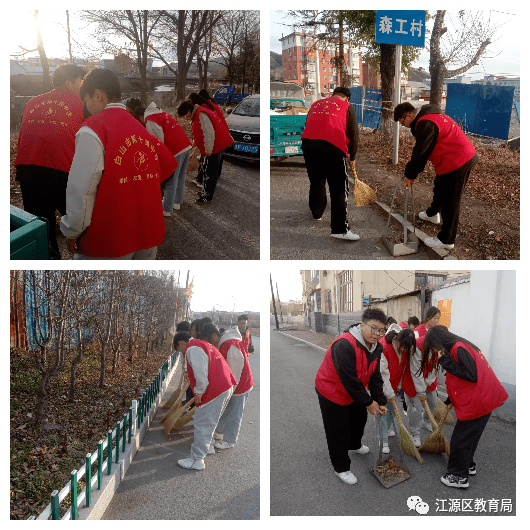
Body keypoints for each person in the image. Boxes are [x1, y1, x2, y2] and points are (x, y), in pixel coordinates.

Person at [59, 68, 178, 260]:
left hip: (110, 240)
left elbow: (81, 190)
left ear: (98, 95)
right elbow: (166, 165)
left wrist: (72, 231)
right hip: (147, 234)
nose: (86, 107)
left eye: (86, 100)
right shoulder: (139, 127)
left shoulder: (93, 129)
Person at [14, 63, 86, 259]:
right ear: (69, 83)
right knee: (80, 226)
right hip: (62, 172)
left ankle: (49, 259)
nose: (83, 86)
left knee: (43, 231)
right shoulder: (81, 107)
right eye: (82, 81)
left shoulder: (32, 102)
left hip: (28, 170)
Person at [422, 325, 508, 489]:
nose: (434, 352)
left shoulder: (458, 348)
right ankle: (467, 465)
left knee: (460, 440)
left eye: (433, 348)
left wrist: (444, 361)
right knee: (469, 438)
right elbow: (461, 378)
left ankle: (458, 476)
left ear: (439, 342)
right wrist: (450, 400)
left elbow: (471, 375)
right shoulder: (460, 346)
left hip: (479, 402)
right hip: (483, 399)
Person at [315, 308, 388, 485]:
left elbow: (375, 376)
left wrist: (379, 400)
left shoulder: (376, 347)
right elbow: (348, 379)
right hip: (332, 391)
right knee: (337, 430)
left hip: (355, 390)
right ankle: (341, 468)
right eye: (373, 328)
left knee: (359, 418)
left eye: (381, 330)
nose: (377, 334)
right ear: (362, 325)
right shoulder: (345, 344)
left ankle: (354, 444)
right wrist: (368, 402)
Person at [394, 101, 479, 250]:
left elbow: (421, 153)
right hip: (450, 158)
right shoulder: (429, 116)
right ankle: (432, 214)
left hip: (459, 160)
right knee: (440, 186)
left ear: (408, 115)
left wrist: (410, 175)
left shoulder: (425, 122)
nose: (405, 126)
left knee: (451, 200)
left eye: (403, 123)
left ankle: (446, 240)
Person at [301, 87, 360, 241]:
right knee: (339, 188)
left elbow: (308, 123)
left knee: (316, 181)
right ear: (347, 98)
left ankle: (317, 213)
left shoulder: (316, 104)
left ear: (333, 95)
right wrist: (352, 155)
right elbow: (353, 132)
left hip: (309, 145)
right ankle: (340, 229)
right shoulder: (347, 106)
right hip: (332, 146)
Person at [177, 323, 237, 471]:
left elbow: (201, 376)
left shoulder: (192, 348)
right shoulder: (203, 344)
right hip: (225, 386)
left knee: (202, 423)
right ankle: (206, 449)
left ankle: (197, 460)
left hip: (214, 390)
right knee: (209, 422)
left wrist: (198, 393)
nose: (182, 353)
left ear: (180, 343)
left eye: (179, 350)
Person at [177, 98, 233, 204]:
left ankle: (207, 195)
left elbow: (208, 133)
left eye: (185, 114)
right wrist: (193, 144)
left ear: (189, 111)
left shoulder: (201, 114)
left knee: (210, 171)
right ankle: (205, 191)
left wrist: (208, 150)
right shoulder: (197, 113)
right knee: (207, 168)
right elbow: (198, 132)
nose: (186, 117)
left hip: (215, 145)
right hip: (213, 145)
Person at [144, 101, 192, 217]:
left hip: (175, 149)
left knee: (171, 178)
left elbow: (158, 142)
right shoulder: (162, 114)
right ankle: (177, 202)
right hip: (185, 145)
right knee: (180, 176)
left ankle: (167, 208)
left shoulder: (151, 118)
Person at [213, 327, 254, 450]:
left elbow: (235, 371)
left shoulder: (230, 345)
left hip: (239, 386)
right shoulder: (228, 343)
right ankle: (220, 433)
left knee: (234, 413)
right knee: (227, 409)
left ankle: (230, 440)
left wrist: (229, 389)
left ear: (215, 336)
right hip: (236, 385)